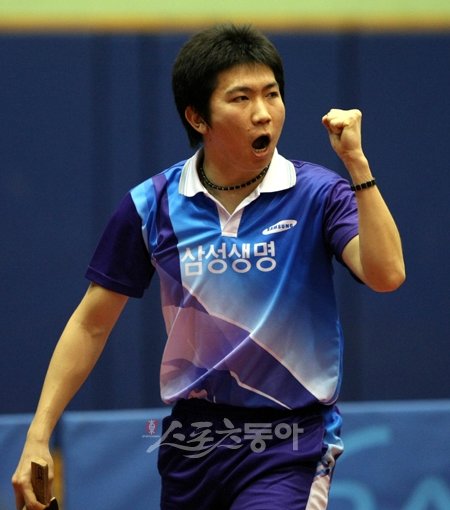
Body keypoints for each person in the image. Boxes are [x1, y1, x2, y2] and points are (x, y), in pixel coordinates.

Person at [12, 24, 405, 510]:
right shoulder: (152, 205)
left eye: (272, 94)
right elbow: (91, 324)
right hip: (193, 441)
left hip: (291, 440)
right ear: (198, 117)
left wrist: (357, 165)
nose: (263, 112)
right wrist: (38, 434)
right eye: (241, 98)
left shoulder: (319, 194)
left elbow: (387, 275)